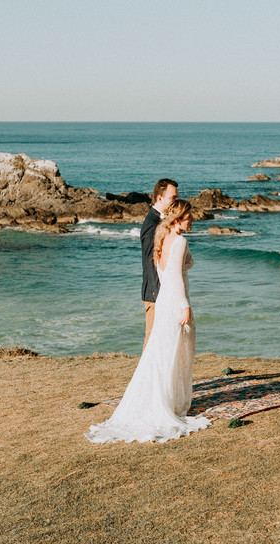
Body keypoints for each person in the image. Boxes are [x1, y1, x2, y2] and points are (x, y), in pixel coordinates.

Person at [86, 199, 210, 443]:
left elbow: (165, 273)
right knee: (175, 353)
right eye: (189, 216)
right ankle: (169, 405)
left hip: (164, 300)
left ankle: (167, 400)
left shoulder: (162, 237)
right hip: (175, 301)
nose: (192, 219)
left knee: (162, 352)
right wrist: (185, 306)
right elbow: (174, 275)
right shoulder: (180, 241)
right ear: (178, 219)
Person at [140, 178, 178, 350]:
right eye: (173, 198)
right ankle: (145, 377)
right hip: (154, 293)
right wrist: (159, 293)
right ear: (159, 199)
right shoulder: (151, 224)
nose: (175, 203)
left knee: (162, 340)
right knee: (152, 340)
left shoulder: (160, 221)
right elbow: (150, 262)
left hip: (160, 291)